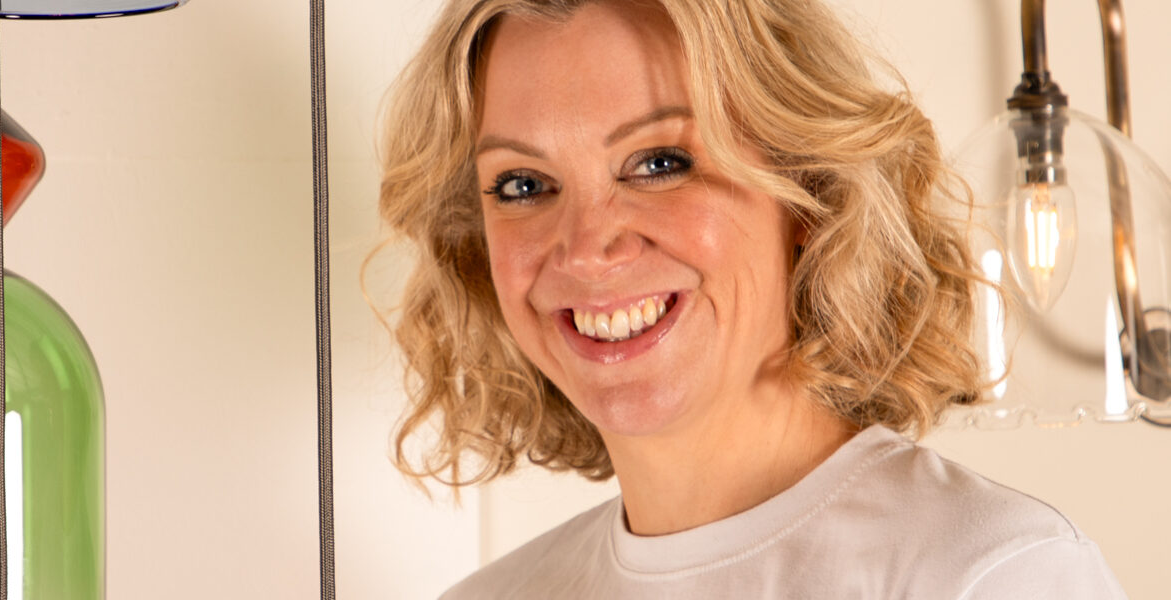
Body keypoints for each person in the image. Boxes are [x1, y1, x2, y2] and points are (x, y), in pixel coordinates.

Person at [375, 0, 1127, 597]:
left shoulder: (992, 577)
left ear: (807, 198)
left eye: (658, 163)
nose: (584, 248)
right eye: (523, 185)